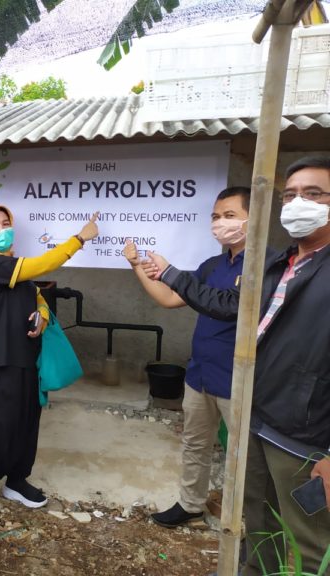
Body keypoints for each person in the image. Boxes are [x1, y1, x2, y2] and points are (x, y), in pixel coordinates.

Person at [143, 156, 330, 574]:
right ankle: (241, 555)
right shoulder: (278, 266)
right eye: (292, 195)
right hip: (238, 395)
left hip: (293, 422)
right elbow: (222, 304)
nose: (300, 203)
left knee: (307, 535)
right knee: (254, 504)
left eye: (314, 194)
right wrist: (158, 270)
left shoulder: (267, 261)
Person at [123, 187, 259, 528]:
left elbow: (227, 307)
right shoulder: (213, 264)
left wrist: (171, 272)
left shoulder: (265, 264)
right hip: (200, 374)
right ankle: (191, 504)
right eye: (215, 216)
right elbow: (170, 298)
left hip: (238, 379)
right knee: (195, 445)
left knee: (245, 457)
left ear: (252, 217)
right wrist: (136, 266)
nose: (220, 223)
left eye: (229, 215)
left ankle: (247, 520)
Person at [0, 205, 99, 517]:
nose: (1, 230)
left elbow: (36, 295)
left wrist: (41, 314)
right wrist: (79, 238)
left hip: (27, 358)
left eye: (5, 223)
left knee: (27, 423)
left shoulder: (11, 265)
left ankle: (16, 480)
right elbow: (40, 266)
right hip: (0, 360)